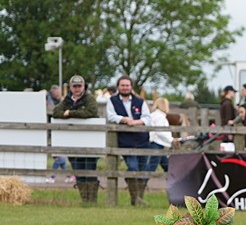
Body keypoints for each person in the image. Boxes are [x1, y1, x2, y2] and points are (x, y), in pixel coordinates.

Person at [51, 75, 100, 205]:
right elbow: (56, 112)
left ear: (84, 86)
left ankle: (92, 200)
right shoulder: (67, 99)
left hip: (90, 142)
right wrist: (68, 111)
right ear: (71, 87)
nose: (77, 88)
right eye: (75, 86)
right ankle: (85, 200)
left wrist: (70, 113)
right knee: (78, 171)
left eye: (79, 86)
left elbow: (90, 112)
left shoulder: (90, 99)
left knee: (90, 170)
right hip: (73, 142)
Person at [107, 75, 151, 206]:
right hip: (126, 142)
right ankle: (136, 198)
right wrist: (124, 119)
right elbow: (111, 116)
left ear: (131, 87)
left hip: (142, 141)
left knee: (143, 171)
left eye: (127, 85)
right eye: (122, 85)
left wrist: (136, 122)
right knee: (132, 167)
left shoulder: (140, 101)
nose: (125, 88)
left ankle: (137, 199)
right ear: (118, 87)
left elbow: (148, 118)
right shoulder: (112, 100)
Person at [145, 97, 174, 182]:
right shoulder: (160, 117)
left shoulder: (154, 115)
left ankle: (172, 183)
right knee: (152, 167)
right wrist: (171, 139)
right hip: (157, 143)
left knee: (167, 165)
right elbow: (160, 131)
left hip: (158, 143)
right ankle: (140, 183)